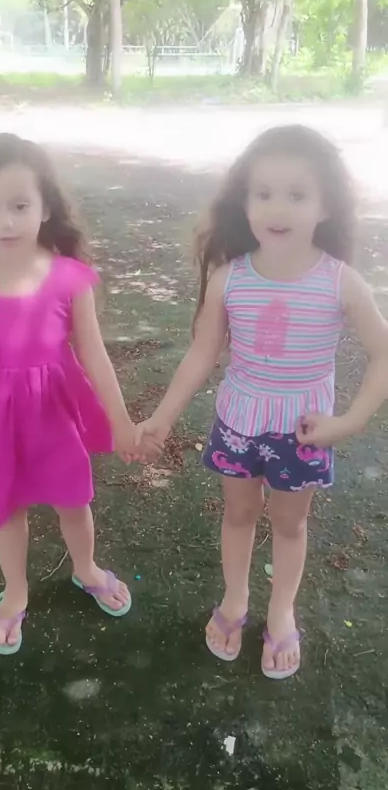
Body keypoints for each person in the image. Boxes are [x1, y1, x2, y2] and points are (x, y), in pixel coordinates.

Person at [135, 125, 388, 680]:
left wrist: (348, 422)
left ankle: (282, 610)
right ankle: (235, 599)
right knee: (239, 514)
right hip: (239, 423)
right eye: (264, 193)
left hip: (302, 432)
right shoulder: (230, 279)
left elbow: (383, 353)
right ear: (244, 202)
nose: (278, 208)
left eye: (297, 194)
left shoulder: (341, 283)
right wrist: (162, 417)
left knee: (290, 526)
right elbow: (202, 354)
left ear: (325, 206)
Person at [0, 133, 153, 656]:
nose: (6, 221)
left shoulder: (70, 278)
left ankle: (86, 568)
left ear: (45, 207)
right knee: (7, 507)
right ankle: (15, 591)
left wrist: (122, 421)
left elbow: (94, 353)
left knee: (74, 499)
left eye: (20, 206)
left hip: (51, 414)